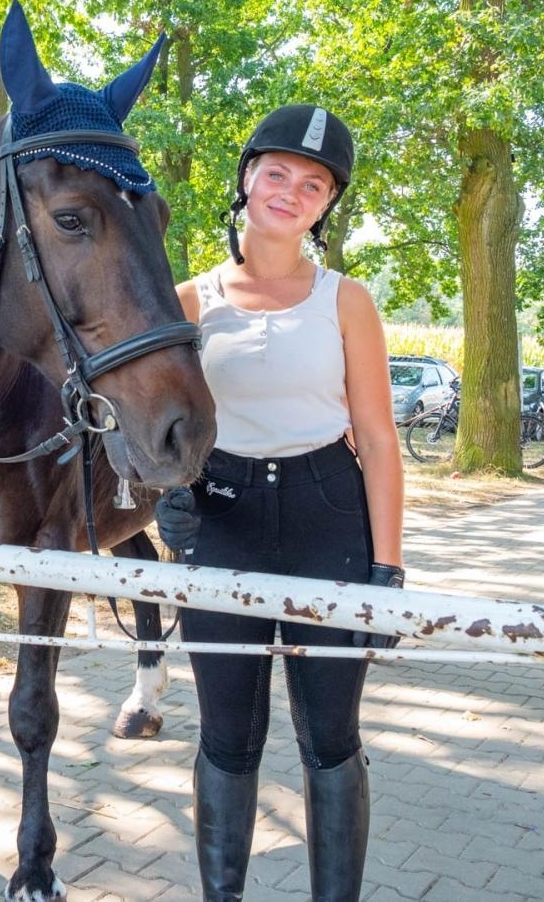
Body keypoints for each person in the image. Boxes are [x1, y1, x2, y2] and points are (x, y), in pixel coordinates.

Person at [156, 105, 404, 902]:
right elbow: (156, 426)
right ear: (246, 178)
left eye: (314, 183)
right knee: (228, 735)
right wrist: (167, 498)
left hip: (327, 520)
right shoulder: (188, 300)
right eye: (277, 173)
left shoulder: (346, 299)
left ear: (327, 205)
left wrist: (388, 570)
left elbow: (377, 437)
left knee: (331, 737)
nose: (291, 191)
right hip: (221, 524)